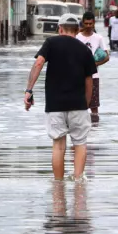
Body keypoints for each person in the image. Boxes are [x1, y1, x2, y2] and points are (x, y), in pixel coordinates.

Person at [25, 13, 97, 180]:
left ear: (60, 28)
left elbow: (38, 63)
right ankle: (78, 182)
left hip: (55, 104)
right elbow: (89, 80)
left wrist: (29, 90)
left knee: (58, 146)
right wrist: (85, 103)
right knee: (80, 143)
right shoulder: (85, 50)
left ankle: (58, 184)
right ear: (77, 30)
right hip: (78, 104)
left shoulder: (51, 43)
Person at [76, 11, 110, 120]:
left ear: (94, 23)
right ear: (83, 23)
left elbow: (106, 57)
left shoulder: (98, 38)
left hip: (94, 76)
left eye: (91, 24)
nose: (89, 26)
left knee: (94, 106)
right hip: (77, 76)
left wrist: (94, 64)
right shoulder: (77, 37)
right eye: (86, 23)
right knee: (77, 104)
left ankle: (95, 130)